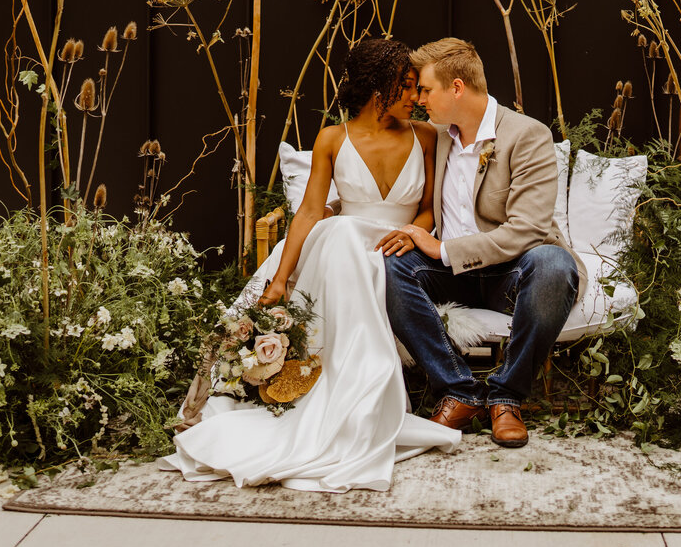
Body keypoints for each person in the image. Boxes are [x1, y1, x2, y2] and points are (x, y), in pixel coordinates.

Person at [159, 38, 460, 492]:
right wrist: (279, 280)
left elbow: (428, 210)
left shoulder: (426, 136)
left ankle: (357, 395)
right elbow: (310, 213)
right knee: (337, 231)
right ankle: (332, 391)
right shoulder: (332, 139)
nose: (417, 99)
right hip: (339, 250)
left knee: (346, 237)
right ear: (381, 90)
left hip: (399, 254)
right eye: (409, 88)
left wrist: (412, 234)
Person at [382, 38, 585, 448]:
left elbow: (527, 228)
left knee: (554, 265)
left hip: (513, 271)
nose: (419, 99)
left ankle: (507, 397)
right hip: (452, 275)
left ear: (456, 87)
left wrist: (444, 249)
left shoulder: (527, 135)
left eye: (425, 89)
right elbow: (376, 144)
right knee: (389, 265)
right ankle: (459, 389)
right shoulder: (434, 136)